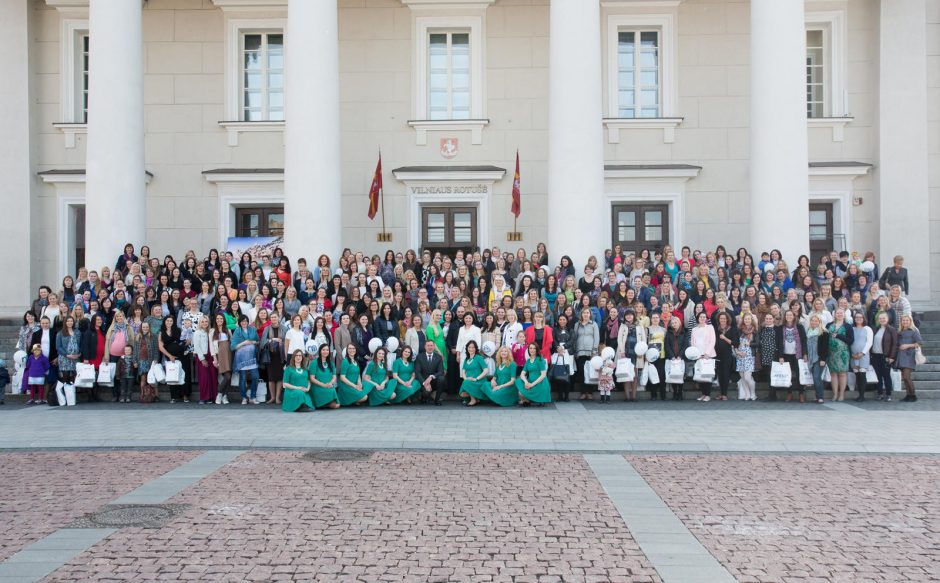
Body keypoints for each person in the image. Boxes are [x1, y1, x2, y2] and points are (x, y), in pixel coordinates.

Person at [777, 310, 807, 403]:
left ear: (794, 316)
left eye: (791, 315)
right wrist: (780, 356)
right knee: (787, 375)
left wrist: (805, 353)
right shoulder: (781, 328)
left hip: (797, 355)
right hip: (785, 355)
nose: (789, 316)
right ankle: (789, 393)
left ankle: (801, 394)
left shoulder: (800, 327)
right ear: (784, 317)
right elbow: (778, 343)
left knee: (799, 375)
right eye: (787, 315)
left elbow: (804, 341)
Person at [232, 315, 260, 405]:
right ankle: (244, 397)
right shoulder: (237, 331)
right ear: (239, 322)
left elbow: (257, 341)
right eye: (242, 321)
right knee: (243, 379)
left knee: (255, 377)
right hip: (241, 359)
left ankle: (252, 397)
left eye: (246, 321)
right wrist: (244, 342)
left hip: (252, 358)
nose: (244, 323)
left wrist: (252, 342)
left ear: (248, 322)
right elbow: (233, 346)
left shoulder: (252, 329)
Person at [827, 308, 854, 402]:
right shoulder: (829, 325)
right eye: (837, 313)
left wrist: (839, 336)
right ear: (834, 314)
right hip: (831, 353)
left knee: (842, 373)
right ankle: (835, 394)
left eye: (841, 313)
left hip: (843, 353)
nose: (839, 314)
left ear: (844, 314)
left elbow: (851, 341)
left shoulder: (848, 326)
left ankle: (841, 394)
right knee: (833, 373)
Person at [870, 312, 898, 401]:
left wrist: (892, 357)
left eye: (884, 318)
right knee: (878, 376)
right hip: (875, 355)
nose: (882, 320)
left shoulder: (892, 330)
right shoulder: (875, 329)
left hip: (885, 356)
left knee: (886, 376)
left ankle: (888, 394)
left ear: (888, 319)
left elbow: (894, 344)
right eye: (880, 318)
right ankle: (880, 393)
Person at [573, 308, 599, 401]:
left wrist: (594, 351)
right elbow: (575, 338)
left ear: (590, 314)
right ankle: (583, 392)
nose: (585, 314)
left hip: (590, 352)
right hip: (580, 352)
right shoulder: (577, 325)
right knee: (581, 372)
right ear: (581, 314)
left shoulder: (593, 324)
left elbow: (596, 338)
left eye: (587, 313)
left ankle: (590, 392)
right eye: (584, 312)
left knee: (590, 372)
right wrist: (575, 351)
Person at [690, 311, 716, 402]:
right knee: (699, 375)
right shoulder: (694, 329)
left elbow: (712, 341)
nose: (702, 318)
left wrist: (707, 353)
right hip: (698, 355)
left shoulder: (710, 328)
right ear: (698, 318)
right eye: (701, 317)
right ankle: (703, 394)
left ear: (706, 318)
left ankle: (707, 395)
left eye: (704, 317)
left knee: (707, 375)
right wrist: (696, 354)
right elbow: (692, 343)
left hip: (707, 355)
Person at [80, 314, 107, 402]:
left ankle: (95, 396)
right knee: (91, 377)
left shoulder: (103, 331)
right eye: (97, 319)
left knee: (98, 377)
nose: (99, 321)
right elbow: (85, 346)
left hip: (101, 358)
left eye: (100, 320)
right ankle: (90, 396)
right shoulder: (89, 332)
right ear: (93, 321)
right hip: (92, 358)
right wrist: (86, 358)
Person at [896, 314, 923, 402]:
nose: (905, 322)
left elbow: (919, 343)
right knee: (904, 377)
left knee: (907, 377)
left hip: (909, 356)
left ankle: (913, 395)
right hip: (901, 357)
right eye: (903, 320)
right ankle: (908, 395)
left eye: (907, 320)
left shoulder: (914, 330)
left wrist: (907, 345)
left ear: (910, 321)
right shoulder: (900, 331)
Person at [260, 312, 285, 405]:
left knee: (279, 377)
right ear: (270, 319)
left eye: (275, 317)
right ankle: (272, 397)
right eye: (272, 317)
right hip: (270, 356)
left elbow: (287, 340)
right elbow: (262, 342)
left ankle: (278, 398)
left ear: (278, 318)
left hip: (280, 356)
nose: (274, 319)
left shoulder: (284, 328)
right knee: (271, 378)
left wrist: (282, 342)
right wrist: (272, 340)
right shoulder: (267, 328)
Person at [713, 312, 739, 401]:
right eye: (721, 318)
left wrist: (724, 338)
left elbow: (735, 343)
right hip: (718, 355)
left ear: (727, 319)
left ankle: (725, 394)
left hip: (727, 355)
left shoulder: (732, 329)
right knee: (720, 374)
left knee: (726, 374)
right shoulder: (716, 329)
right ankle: (721, 393)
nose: (722, 320)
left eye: (724, 318)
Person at [515, 342, 551, 406]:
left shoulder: (540, 360)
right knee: (518, 381)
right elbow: (522, 374)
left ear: (537, 350)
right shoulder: (528, 361)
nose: (532, 350)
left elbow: (543, 375)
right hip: (530, 382)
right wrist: (526, 382)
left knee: (535, 390)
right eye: (530, 348)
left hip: (540, 383)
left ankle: (539, 399)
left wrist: (532, 384)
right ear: (528, 349)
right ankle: (526, 400)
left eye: (534, 348)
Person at [192, 317, 218, 405]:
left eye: (206, 321)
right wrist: (202, 359)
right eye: (202, 321)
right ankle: (204, 398)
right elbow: (197, 346)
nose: (204, 323)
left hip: (211, 356)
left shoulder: (211, 331)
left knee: (213, 377)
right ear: (200, 323)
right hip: (202, 356)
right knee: (204, 378)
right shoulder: (197, 332)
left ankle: (212, 397)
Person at [850, 311, 873, 402]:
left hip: (863, 355)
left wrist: (862, 353)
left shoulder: (867, 329)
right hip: (853, 356)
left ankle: (862, 395)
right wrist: (852, 354)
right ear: (854, 319)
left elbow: (869, 342)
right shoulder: (852, 329)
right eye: (857, 317)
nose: (858, 319)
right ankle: (859, 394)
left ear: (863, 318)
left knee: (862, 375)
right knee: (857, 375)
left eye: (860, 317)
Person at [415, 339, 446, 405]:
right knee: (426, 393)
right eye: (428, 345)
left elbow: (441, 371)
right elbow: (418, 372)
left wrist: (431, 377)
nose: (430, 347)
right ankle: (424, 397)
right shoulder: (419, 357)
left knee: (441, 378)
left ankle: (437, 400)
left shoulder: (438, 357)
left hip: (434, 380)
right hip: (423, 381)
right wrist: (424, 383)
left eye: (431, 345)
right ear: (425, 347)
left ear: (434, 347)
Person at [664, 316, 688, 400]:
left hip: (681, 358)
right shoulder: (669, 332)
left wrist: (680, 356)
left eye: (676, 322)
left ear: (679, 323)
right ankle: (675, 393)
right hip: (672, 358)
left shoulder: (684, 332)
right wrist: (672, 356)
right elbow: (666, 345)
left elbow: (686, 345)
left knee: (680, 375)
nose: (674, 324)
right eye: (672, 323)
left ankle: (680, 392)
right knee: (673, 375)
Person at [210, 314, 232, 404]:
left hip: (229, 355)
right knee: (227, 376)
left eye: (221, 318)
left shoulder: (228, 330)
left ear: (224, 320)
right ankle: (219, 394)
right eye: (217, 318)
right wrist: (215, 359)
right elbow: (211, 346)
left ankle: (225, 396)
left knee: (228, 377)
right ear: (215, 320)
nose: (219, 320)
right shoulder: (212, 331)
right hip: (220, 355)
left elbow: (232, 342)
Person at [459, 340, 488, 407]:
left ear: (475, 349)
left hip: (478, 381)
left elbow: (486, 370)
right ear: (467, 348)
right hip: (469, 381)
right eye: (469, 347)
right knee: (462, 394)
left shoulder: (479, 358)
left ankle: (473, 400)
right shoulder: (466, 359)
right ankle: (476, 397)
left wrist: (476, 379)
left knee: (467, 384)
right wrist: (466, 379)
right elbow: (463, 372)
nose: (471, 349)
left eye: (473, 347)